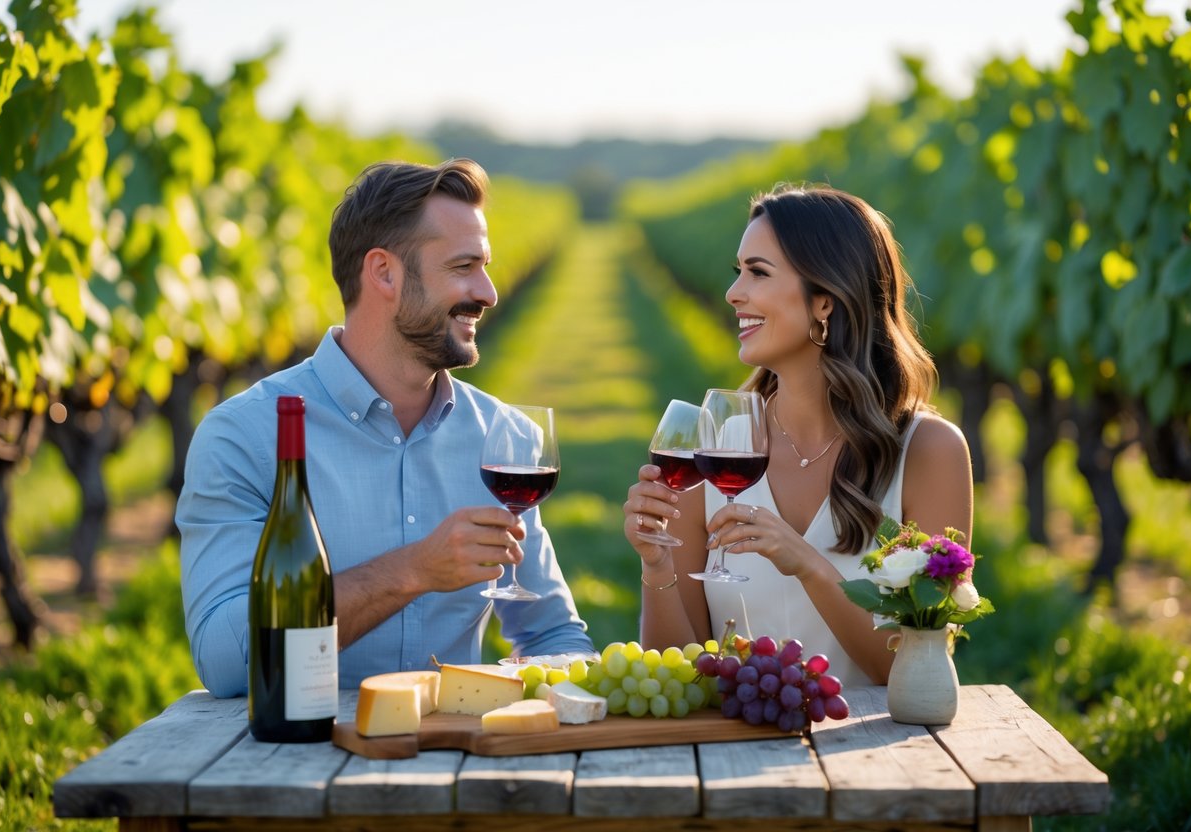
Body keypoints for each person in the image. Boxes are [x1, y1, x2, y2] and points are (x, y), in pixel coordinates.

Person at [177, 158, 593, 698]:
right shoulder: (244, 437)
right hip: (291, 760)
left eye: (486, 266)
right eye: (464, 266)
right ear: (384, 273)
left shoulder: (501, 436)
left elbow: (554, 634)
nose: (489, 292)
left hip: (458, 762)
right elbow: (226, 662)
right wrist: (413, 570)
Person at [623, 184, 973, 687]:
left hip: (880, 760)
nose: (732, 293)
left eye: (758, 272)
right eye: (737, 270)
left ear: (825, 301)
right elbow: (678, 675)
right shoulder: (714, 445)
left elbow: (916, 674)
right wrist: (657, 568)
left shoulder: (929, 452)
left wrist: (807, 564)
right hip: (733, 758)